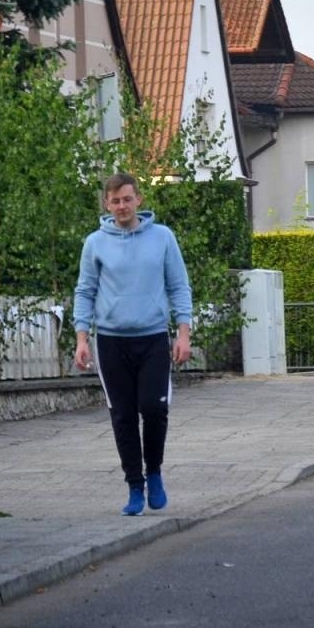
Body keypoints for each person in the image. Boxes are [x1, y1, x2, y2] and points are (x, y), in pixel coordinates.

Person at [73, 172, 193, 517]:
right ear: (106, 204)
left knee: (154, 409)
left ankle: (154, 472)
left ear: (138, 199)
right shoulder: (95, 243)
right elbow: (85, 291)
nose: (122, 206)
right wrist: (82, 337)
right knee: (122, 416)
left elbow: (179, 286)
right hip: (111, 341)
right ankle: (134, 486)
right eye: (115, 201)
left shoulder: (162, 238)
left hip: (153, 337)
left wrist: (183, 333)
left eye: (127, 199)